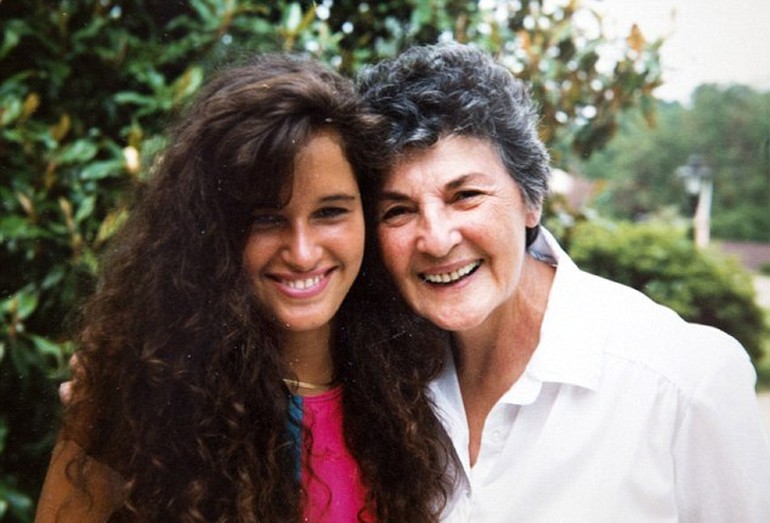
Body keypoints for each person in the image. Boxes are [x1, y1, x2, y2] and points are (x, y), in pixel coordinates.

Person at [357, 43, 770, 522]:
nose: (435, 238)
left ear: (531, 200)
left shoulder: (682, 380)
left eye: (465, 195)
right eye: (398, 211)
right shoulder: (385, 385)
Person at [35, 53, 455, 522]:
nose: (302, 253)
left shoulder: (410, 382)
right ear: (214, 229)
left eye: (330, 212)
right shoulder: (135, 393)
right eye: (267, 219)